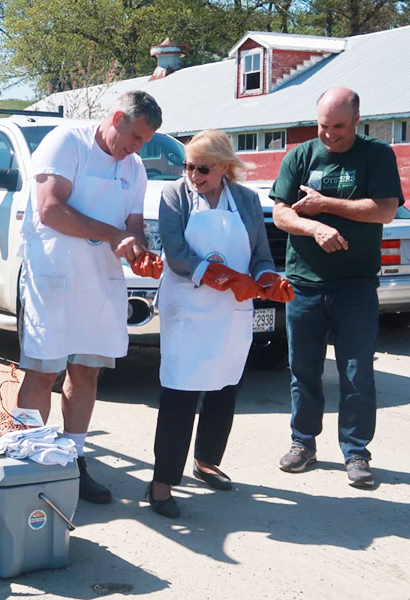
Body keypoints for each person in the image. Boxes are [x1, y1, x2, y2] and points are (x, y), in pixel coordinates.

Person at [16, 91, 164, 504]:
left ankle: (73, 461)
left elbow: (132, 225)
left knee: (86, 373)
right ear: (116, 118)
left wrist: (140, 253)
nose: (136, 148)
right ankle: (27, 464)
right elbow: (49, 209)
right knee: (43, 372)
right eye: (133, 137)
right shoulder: (67, 143)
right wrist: (114, 235)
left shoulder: (134, 169)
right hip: (54, 276)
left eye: (143, 142)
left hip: (101, 282)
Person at [147, 130, 293, 518]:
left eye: (203, 168)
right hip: (187, 309)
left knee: (225, 386)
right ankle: (162, 483)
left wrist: (267, 280)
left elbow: (260, 255)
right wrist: (223, 278)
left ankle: (207, 461)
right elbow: (176, 255)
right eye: (188, 166)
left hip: (232, 312)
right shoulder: (174, 196)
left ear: (226, 167)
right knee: (179, 392)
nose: (193, 175)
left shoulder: (245, 199)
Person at [271, 87, 403, 488]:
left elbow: (384, 209)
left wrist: (325, 204)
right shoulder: (301, 155)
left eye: (339, 127)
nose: (329, 134)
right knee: (303, 370)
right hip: (304, 283)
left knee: (356, 371)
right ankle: (303, 443)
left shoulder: (376, 155)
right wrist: (313, 227)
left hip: (355, 285)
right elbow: (280, 213)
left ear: (357, 121)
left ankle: (357, 452)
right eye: (323, 125)